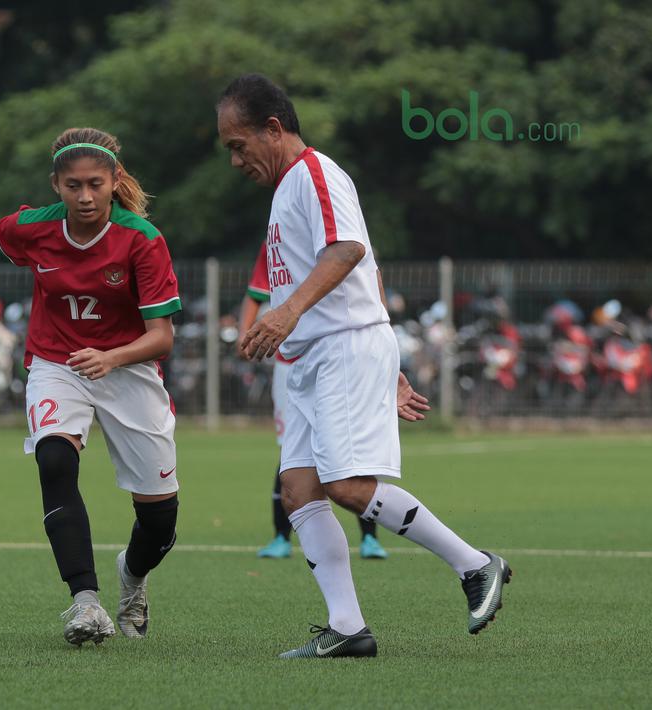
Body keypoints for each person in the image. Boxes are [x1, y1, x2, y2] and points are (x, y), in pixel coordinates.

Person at [218, 74, 511, 658]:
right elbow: (366, 266)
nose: (234, 159)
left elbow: (347, 250)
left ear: (273, 128)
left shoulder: (315, 174)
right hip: (315, 357)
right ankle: (348, 628)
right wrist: (390, 361)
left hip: (342, 347)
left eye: (238, 143)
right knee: (299, 491)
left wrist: (287, 314)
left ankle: (476, 565)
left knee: (346, 486)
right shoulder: (285, 191)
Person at [0, 127, 182, 646]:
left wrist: (112, 356)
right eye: (73, 185)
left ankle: (132, 578)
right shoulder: (34, 227)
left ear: (114, 180)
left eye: (96, 184)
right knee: (54, 460)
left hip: (129, 369)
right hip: (57, 362)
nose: (85, 196)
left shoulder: (142, 239)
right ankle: (85, 603)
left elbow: (161, 338)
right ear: (56, 185)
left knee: (160, 521)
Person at [240, 253, 387, 561]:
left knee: (351, 449)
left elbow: (370, 277)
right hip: (289, 364)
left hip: (338, 357)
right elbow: (255, 294)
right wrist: (245, 335)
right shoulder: (275, 237)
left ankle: (370, 538)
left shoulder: (338, 238)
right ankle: (282, 536)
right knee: (292, 451)